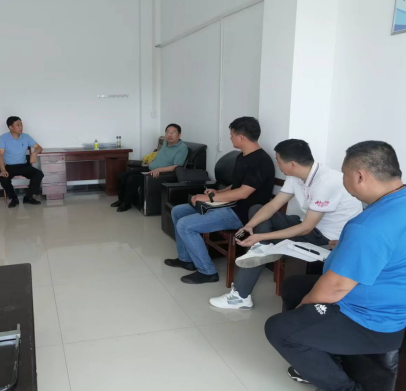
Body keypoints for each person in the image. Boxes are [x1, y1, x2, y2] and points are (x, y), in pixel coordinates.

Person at [265, 141, 406, 391]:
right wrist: (346, 245)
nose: (343, 180)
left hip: (371, 319)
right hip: (387, 296)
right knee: (293, 285)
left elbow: (335, 288)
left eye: (345, 174)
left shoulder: (368, 226)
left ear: (360, 176)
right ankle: (324, 357)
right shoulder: (396, 202)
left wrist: (303, 310)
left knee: (279, 329)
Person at [209, 139, 362, 309]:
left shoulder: (326, 182)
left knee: (260, 242)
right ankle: (262, 248)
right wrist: (249, 226)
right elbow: (273, 205)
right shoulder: (295, 176)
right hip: (307, 225)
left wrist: (261, 236)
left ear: (292, 164)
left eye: (278, 160)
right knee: (257, 209)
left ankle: (241, 295)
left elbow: (306, 228)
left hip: (326, 237)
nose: (277, 165)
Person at [164, 117, 275, 284]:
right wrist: (218, 192)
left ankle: (207, 272)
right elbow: (236, 186)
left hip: (242, 213)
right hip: (229, 204)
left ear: (241, 137)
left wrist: (209, 197)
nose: (230, 138)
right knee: (177, 211)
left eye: (231, 135)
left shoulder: (261, 161)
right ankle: (186, 259)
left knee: (185, 225)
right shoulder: (243, 156)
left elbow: (243, 193)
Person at [111, 123, 188, 212]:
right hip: (149, 168)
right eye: (167, 132)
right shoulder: (165, 143)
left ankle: (126, 203)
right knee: (122, 175)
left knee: (131, 179)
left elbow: (176, 167)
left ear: (179, 135)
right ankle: (121, 200)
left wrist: (159, 169)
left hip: (161, 174)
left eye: (173, 132)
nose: (169, 135)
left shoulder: (182, 148)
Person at [0, 116, 44, 208]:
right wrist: (3, 169)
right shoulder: (3, 138)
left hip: (23, 165)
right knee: (3, 179)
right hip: (9, 166)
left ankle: (28, 197)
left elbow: (39, 147)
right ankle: (14, 198)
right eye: (18, 125)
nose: (21, 127)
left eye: (21, 125)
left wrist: (34, 153)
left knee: (38, 174)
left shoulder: (26, 136)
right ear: (10, 127)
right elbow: (0, 155)